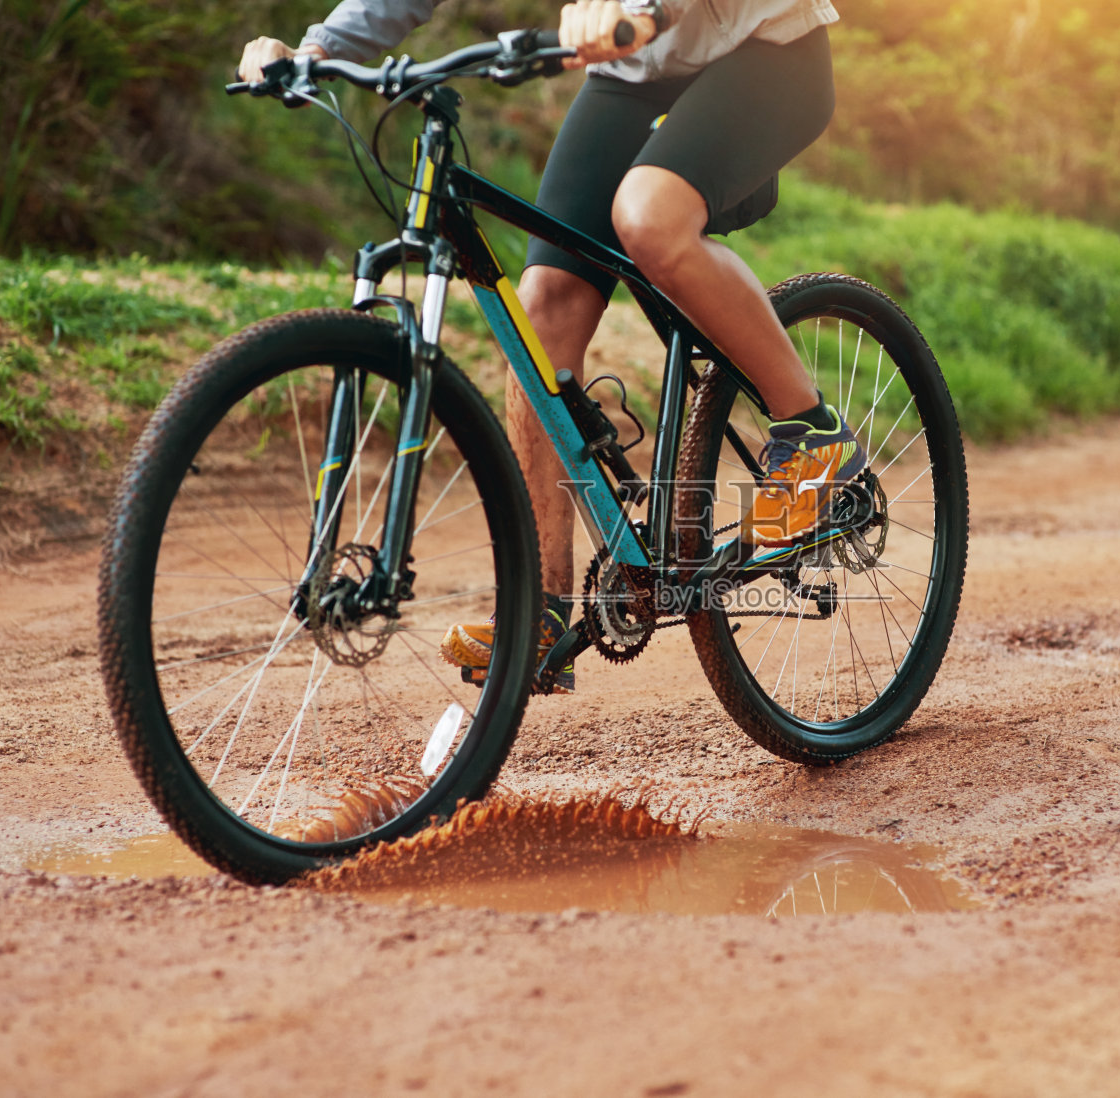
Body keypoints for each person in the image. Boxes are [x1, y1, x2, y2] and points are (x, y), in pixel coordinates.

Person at [238, 0, 866, 693]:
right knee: (540, 312)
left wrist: (639, 8)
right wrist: (319, 48)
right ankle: (542, 607)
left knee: (649, 219)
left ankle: (812, 434)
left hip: (764, 48)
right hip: (630, 65)